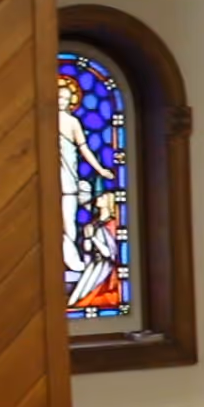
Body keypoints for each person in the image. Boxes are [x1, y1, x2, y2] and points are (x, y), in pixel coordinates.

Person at [59, 75, 115, 283]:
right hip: (49, 177)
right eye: (58, 97)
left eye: (65, 98)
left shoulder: (73, 123)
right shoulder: (43, 120)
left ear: (71, 101)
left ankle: (70, 262)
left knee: (69, 224)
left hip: (69, 177)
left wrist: (100, 169)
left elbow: (84, 149)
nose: (61, 101)